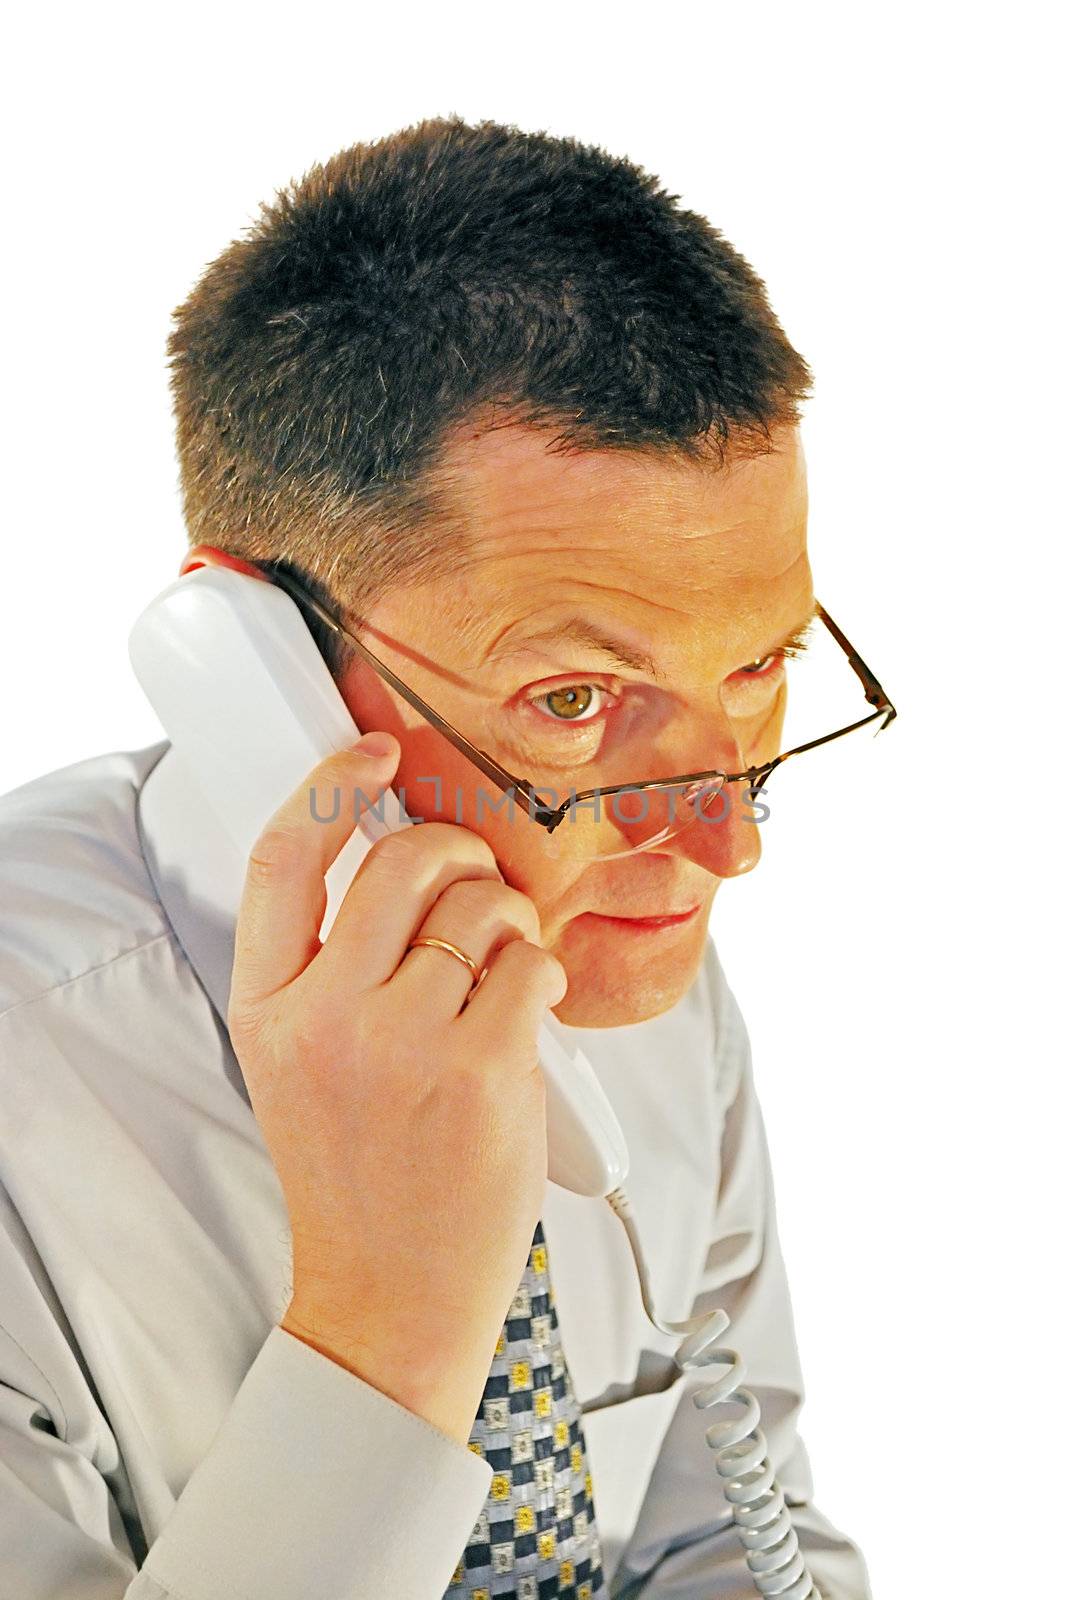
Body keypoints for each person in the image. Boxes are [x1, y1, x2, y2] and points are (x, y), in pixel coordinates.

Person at [0, 116, 875, 1598]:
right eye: (574, 703)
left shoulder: (616, 952)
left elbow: (728, 1533)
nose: (719, 845)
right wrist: (388, 1323)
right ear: (251, 657)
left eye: (758, 665)